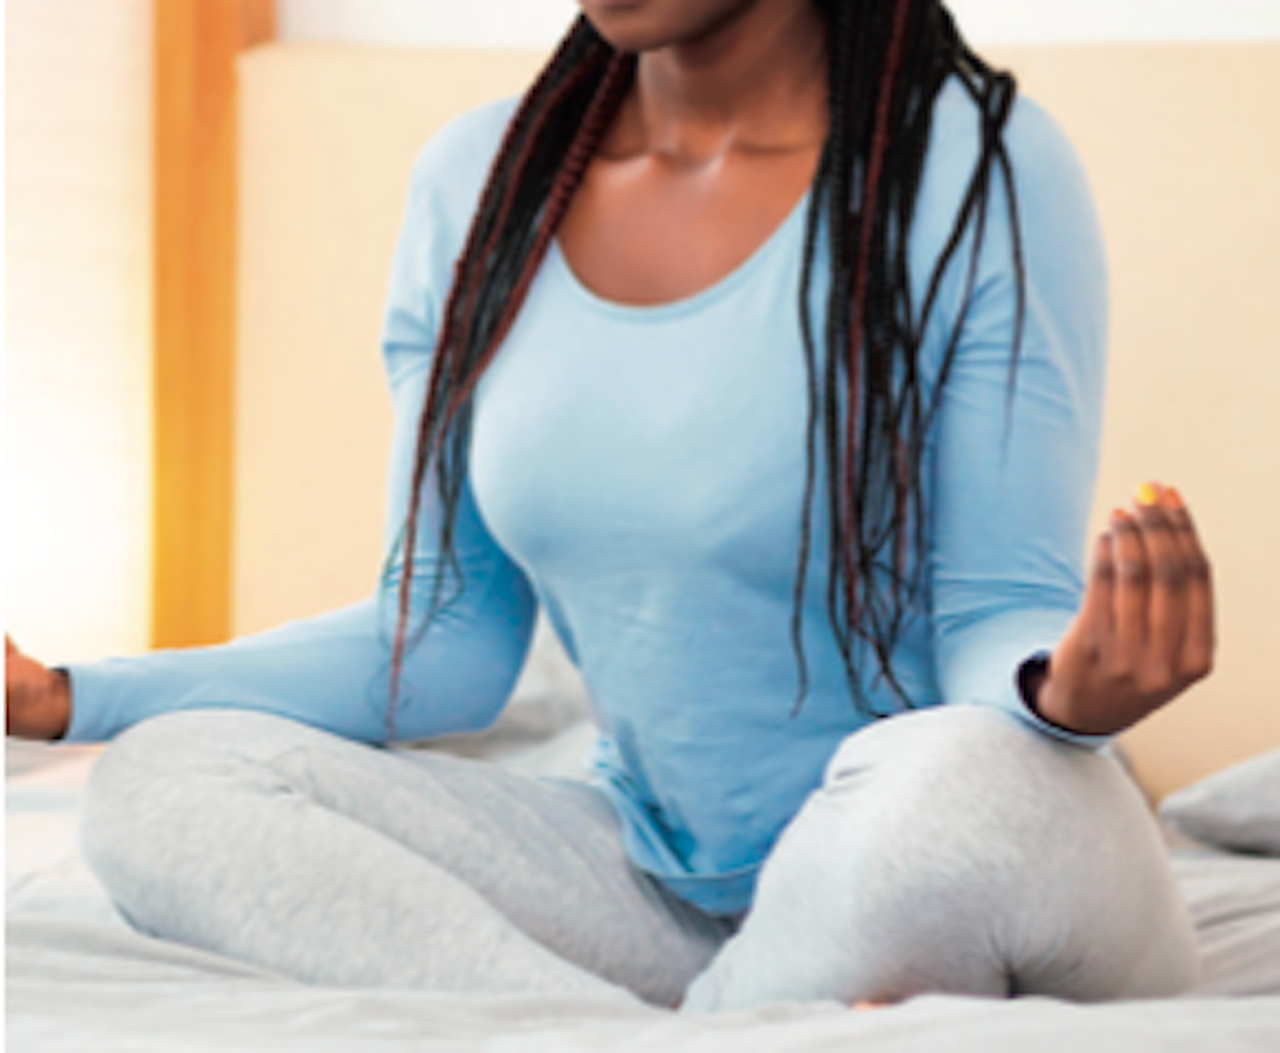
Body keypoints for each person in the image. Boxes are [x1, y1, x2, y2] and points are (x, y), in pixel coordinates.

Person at [5, 0, 1214, 1011]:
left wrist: (1064, 693)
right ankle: (672, 1028)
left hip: (965, 837)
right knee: (162, 782)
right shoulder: (481, 185)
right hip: (660, 888)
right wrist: (73, 698)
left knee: (948, 776)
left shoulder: (974, 166)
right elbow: (436, 642)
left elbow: (990, 615)